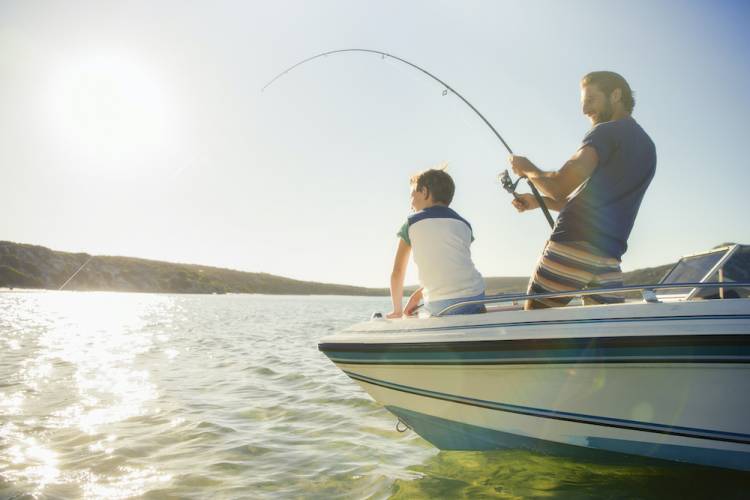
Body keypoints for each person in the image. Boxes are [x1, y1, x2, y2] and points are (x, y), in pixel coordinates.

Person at [509, 71, 656, 309]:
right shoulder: (648, 147)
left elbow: (559, 186)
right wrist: (537, 202)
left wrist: (527, 169)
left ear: (616, 95)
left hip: (573, 244)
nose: (584, 110)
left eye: (590, 100)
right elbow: (594, 200)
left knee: (536, 326)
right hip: (609, 257)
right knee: (601, 338)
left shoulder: (605, 132)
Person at [387, 167, 486, 318]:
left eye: (412, 195)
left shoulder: (411, 223)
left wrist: (397, 310)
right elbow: (450, 268)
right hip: (476, 296)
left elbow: (397, 272)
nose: (410, 203)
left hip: (441, 304)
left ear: (425, 192)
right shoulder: (464, 224)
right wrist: (417, 296)